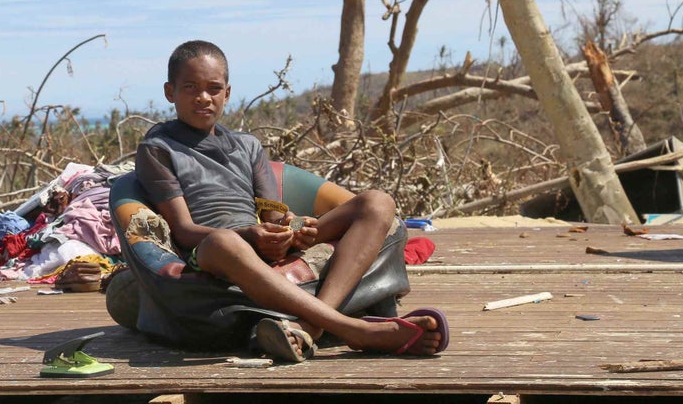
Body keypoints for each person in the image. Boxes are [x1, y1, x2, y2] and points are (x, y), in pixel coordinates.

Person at [134, 39, 449, 361]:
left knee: (377, 202)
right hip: (216, 252)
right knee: (225, 242)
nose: (204, 97)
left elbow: (273, 217)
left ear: (227, 93)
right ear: (170, 92)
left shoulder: (247, 146)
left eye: (214, 88)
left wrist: (294, 229)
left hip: (262, 243)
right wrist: (248, 236)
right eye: (191, 87)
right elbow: (184, 230)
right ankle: (355, 330)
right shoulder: (158, 148)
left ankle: (310, 327)